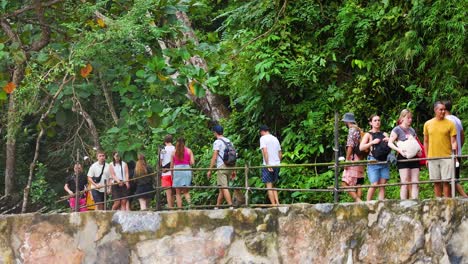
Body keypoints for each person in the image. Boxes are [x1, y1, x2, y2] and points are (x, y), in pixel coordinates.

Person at [424, 101, 457, 198]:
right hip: (432, 157)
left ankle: (446, 203)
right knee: (436, 182)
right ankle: (438, 203)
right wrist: (426, 157)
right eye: (440, 109)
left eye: (444, 109)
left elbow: (454, 142)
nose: (443, 111)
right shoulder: (428, 124)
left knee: (446, 182)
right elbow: (425, 141)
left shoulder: (450, 124)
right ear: (435, 110)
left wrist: (454, 155)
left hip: (446, 157)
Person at [388, 109, 422, 199]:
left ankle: (415, 201)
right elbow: (390, 142)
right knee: (405, 181)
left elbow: (415, 142)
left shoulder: (412, 130)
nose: (410, 120)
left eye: (411, 118)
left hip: (414, 157)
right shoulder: (397, 129)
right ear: (402, 118)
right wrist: (399, 150)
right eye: (408, 118)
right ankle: (403, 202)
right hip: (403, 157)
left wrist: (419, 151)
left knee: (415, 182)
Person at [360, 115, 390, 201]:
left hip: (384, 160)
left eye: (379, 120)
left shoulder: (384, 134)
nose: (377, 122)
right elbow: (361, 147)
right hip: (373, 160)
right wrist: (372, 142)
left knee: (382, 184)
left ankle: (381, 203)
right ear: (371, 123)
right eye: (375, 120)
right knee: (375, 183)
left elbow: (391, 145)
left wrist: (389, 140)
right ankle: (368, 203)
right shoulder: (368, 134)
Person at [207, 125, 236, 209]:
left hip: (222, 166)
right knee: (222, 188)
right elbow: (234, 155)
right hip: (230, 166)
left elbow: (214, 156)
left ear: (215, 133)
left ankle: (230, 206)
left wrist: (210, 170)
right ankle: (217, 206)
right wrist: (234, 170)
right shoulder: (229, 141)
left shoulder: (217, 142)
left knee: (224, 187)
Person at [444, 100, 467, 197]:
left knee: (451, 179)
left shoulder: (445, 121)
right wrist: (459, 148)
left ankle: (465, 198)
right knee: (452, 178)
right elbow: (462, 136)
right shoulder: (457, 119)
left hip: (450, 154)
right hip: (457, 153)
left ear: (444, 108)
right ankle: (450, 200)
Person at [341, 113, 365, 202]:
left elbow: (350, 146)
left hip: (353, 158)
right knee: (358, 182)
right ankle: (358, 204)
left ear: (347, 121)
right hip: (360, 158)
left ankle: (358, 201)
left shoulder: (351, 130)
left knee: (344, 182)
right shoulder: (358, 129)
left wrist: (347, 160)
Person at [259, 125, 282, 205]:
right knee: (274, 185)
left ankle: (273, 205)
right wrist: (278, 162)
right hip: (277, 164)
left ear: (262, 131)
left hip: (268, 165)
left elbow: (265, 151)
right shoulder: (275, 139)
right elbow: (280, 153)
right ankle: (278, 203)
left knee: (269, 186)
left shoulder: (263, 138)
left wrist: (268, 164)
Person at [171, 138, 194, 208]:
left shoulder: (173, 152)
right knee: (186, 192)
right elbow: (192, 162)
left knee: (178, 193)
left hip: (177, 171)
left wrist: (172, 175)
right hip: (186, 170)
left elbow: (171, 166)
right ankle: (190, 206)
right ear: (185, 143)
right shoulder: (189, 151)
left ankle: (179, 209)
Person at [160, 134, 175, 208]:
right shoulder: (175, 149)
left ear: (165, 141)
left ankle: (170, 208)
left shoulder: (163, 150)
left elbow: (161, 161)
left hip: (165, 174)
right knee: (174, 193)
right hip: (174, 173)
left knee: (168, 194)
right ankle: (174, 207)